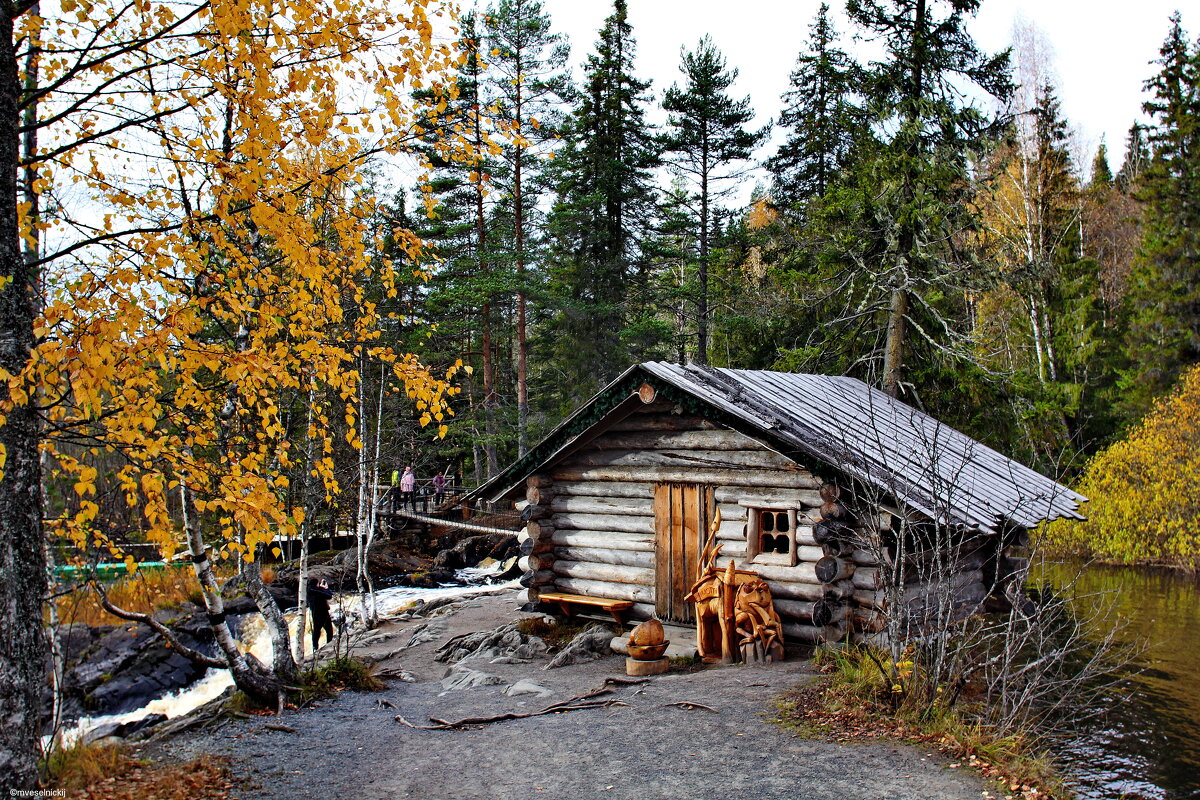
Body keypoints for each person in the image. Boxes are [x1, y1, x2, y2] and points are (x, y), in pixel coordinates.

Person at [307, 578, 335, 652]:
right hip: (323, 613)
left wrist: (321, 588)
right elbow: (329, 596)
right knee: (329, 630)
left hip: (314, 613)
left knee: (316, 631)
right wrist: (325, 588)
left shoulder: (308, 590)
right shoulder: (316, 590)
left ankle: (315, 648)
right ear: (316, 584)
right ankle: (329, 645)